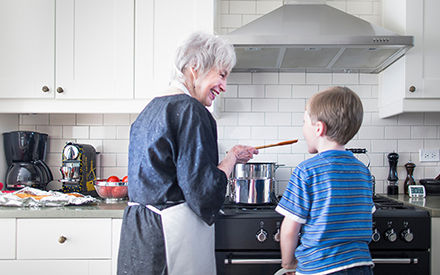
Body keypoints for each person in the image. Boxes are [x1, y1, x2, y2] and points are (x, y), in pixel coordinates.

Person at [116, 31, 259, 275]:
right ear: (196, 67)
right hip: (170, 237)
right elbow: (204, 192)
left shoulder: (148, 110)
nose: (224, 86)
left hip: (138, 234)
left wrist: (232, 155)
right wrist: (231, 158)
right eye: (222, 75)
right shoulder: (191, 110)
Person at [275, 86, 375, 275]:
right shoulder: (363, 171)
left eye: (304, 122)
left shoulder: (306, 171)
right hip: (360, 266)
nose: (303, 128)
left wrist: (288, 263)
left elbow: (290, 229)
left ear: (319, 128)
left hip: (319, 268)